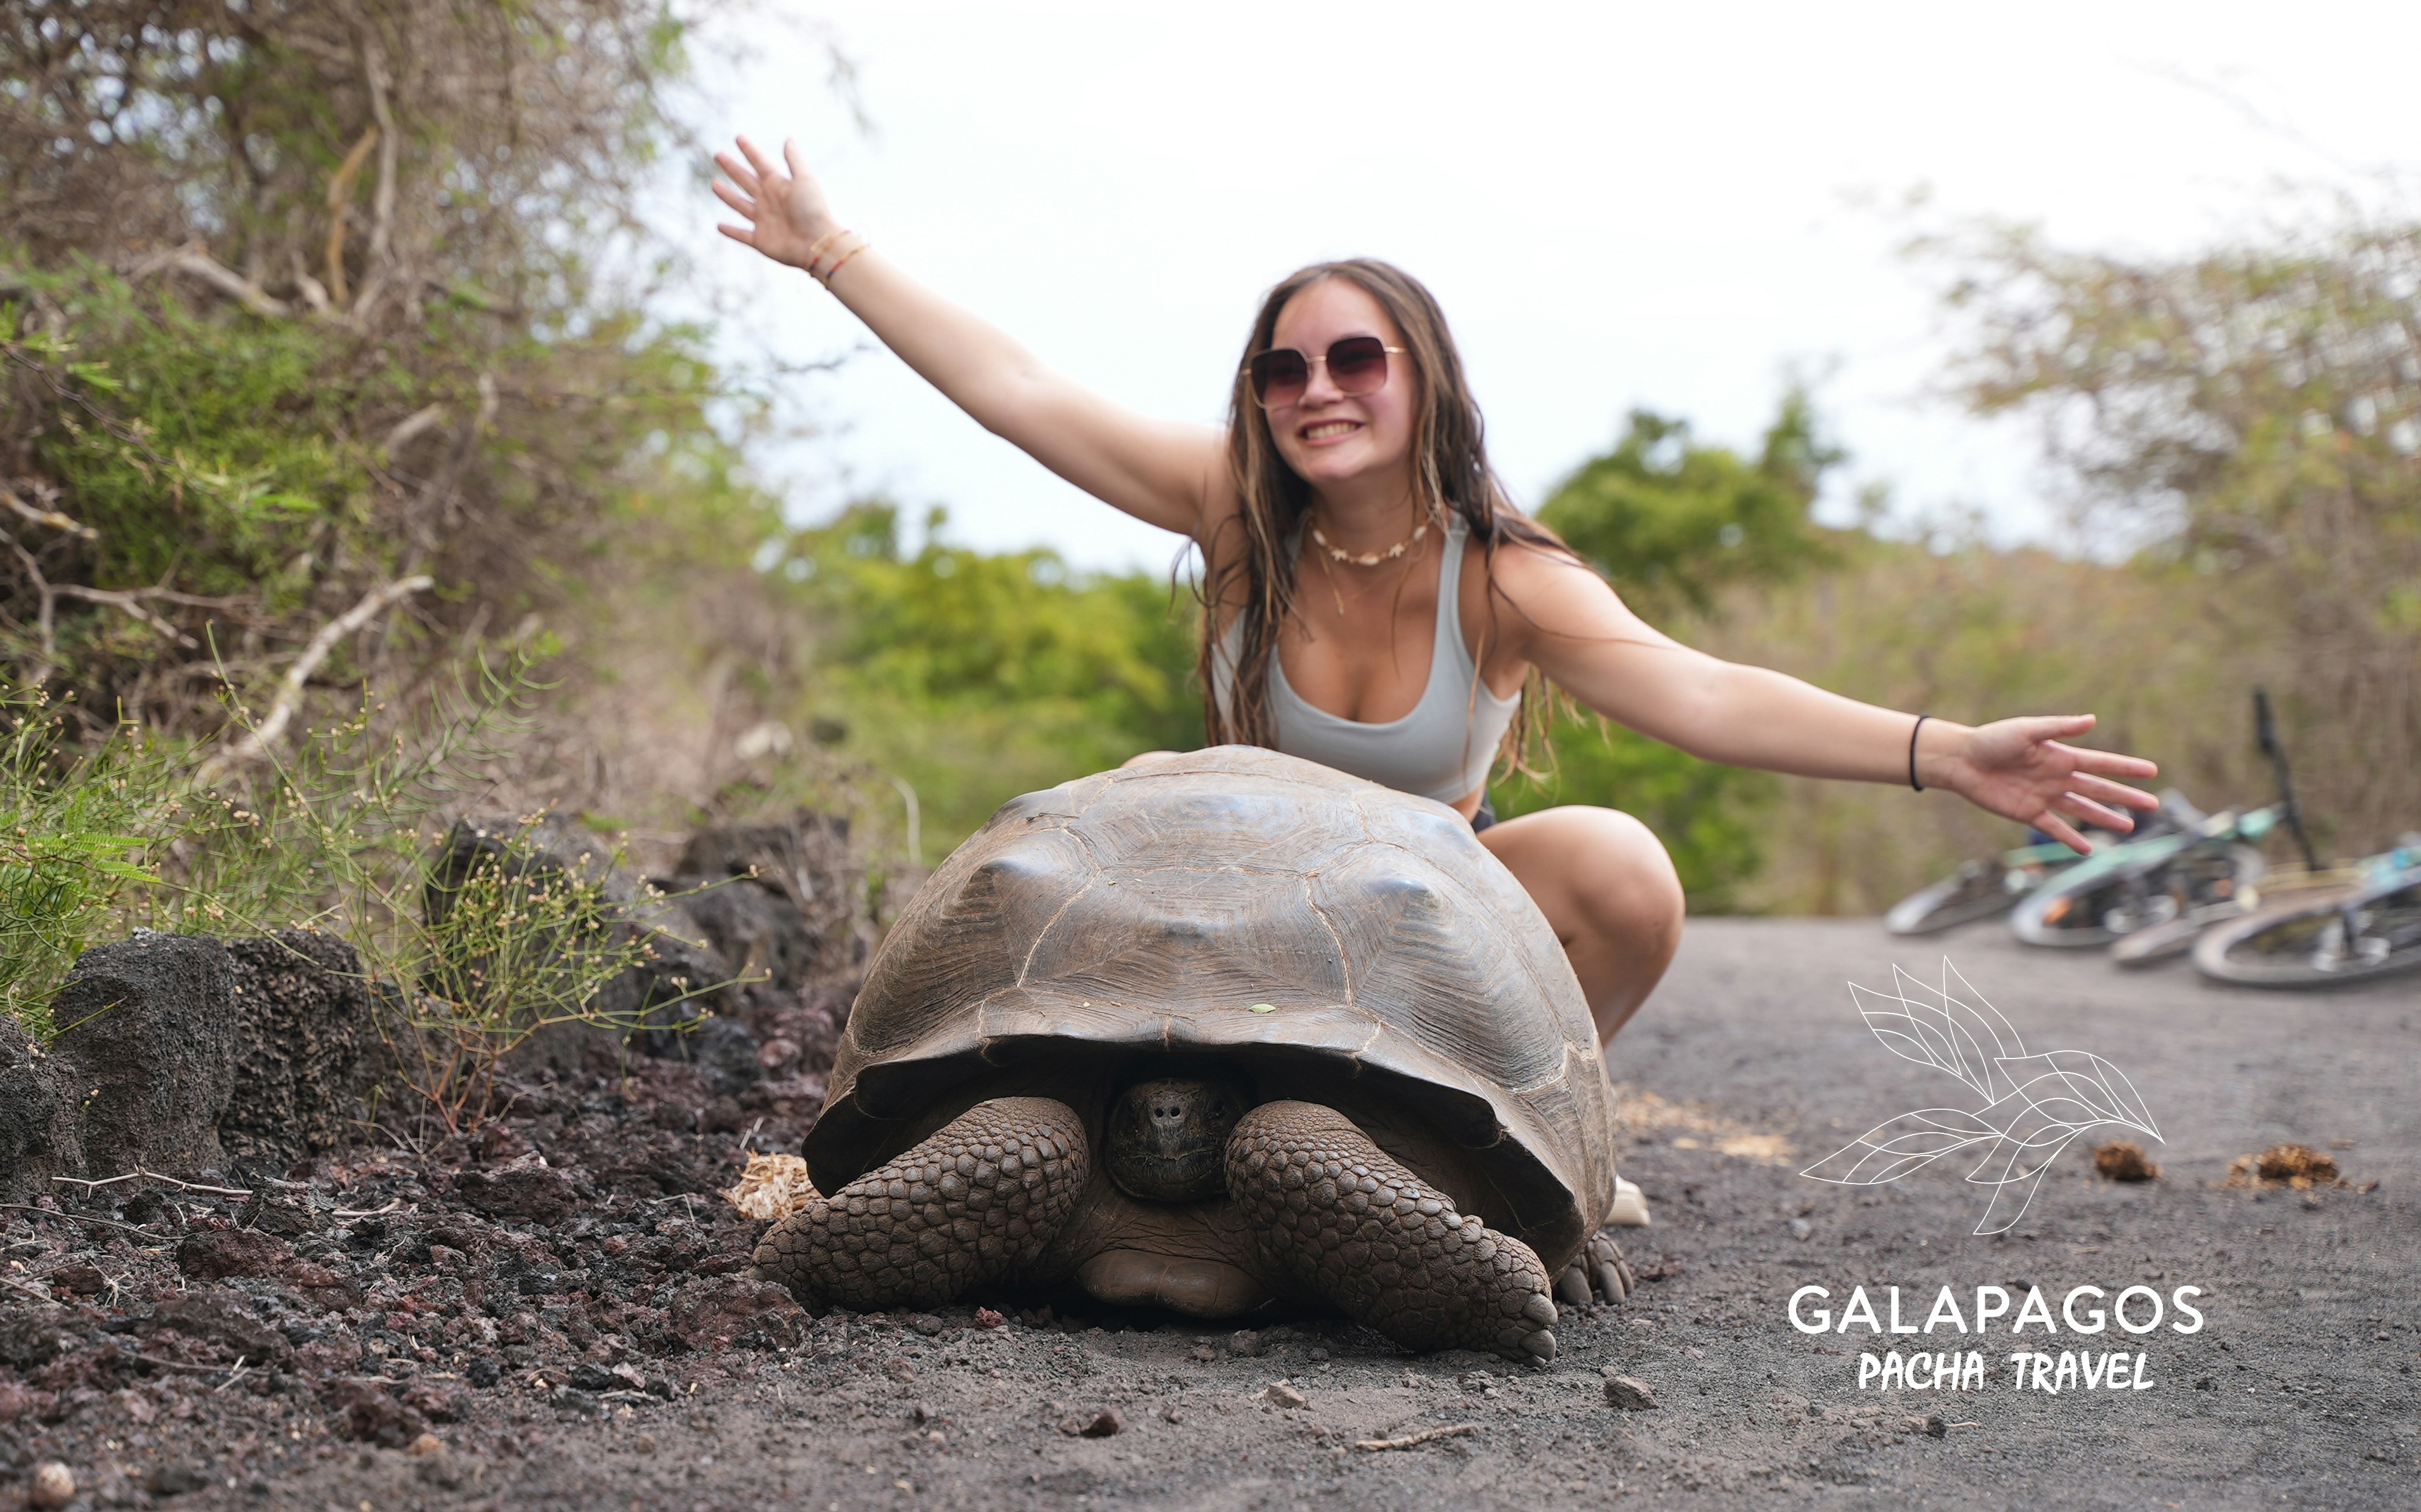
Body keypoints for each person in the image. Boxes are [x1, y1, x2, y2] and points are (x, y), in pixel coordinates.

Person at [712, 136, 2160, 1050]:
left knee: (1624, 866)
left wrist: (1945, 752)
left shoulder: (1507, 577)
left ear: (1424, 381)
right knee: (1066, 847)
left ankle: (1535, 1131)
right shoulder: (1232, 508)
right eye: (1283, 368)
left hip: (1429, 928)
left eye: (1356, 359)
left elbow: (1705, 693)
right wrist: (831, 251)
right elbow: (1020, 390)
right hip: (1236, 920)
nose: (1317, 389)